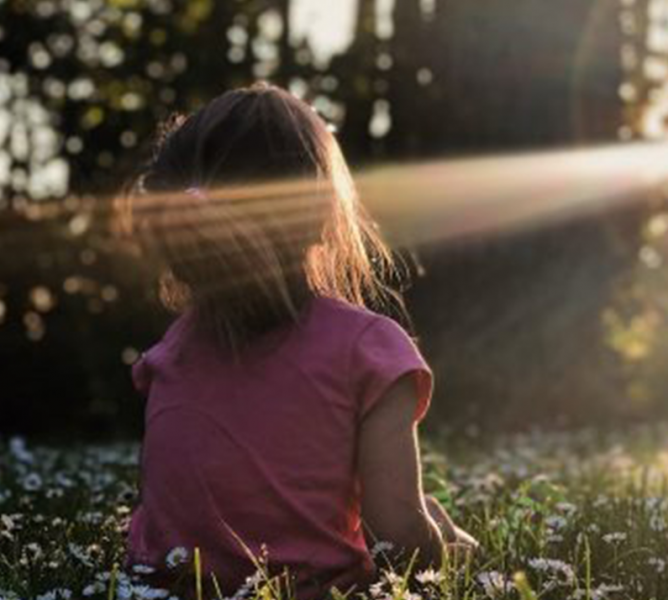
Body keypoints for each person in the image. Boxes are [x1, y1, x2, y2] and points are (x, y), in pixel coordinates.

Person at [116, 82, 477, 599]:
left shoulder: (168, 355)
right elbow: (397, 536)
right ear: (321, 215)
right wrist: (454, 551)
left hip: (163, 591)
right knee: (433, 524)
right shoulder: (368, 351)